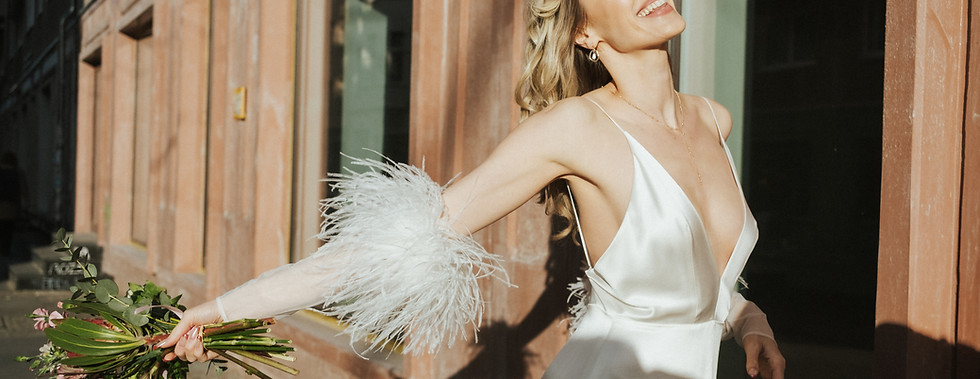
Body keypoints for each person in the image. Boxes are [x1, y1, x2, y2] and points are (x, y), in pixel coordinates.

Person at [160, 0, 785, 377]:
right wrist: (217, 313)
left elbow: (696, 287)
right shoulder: (576, 129)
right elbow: (396, 244)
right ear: (582, 33)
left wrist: (749, 321)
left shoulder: (714, 119)